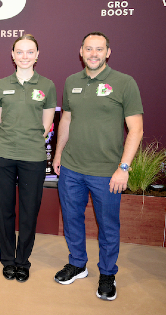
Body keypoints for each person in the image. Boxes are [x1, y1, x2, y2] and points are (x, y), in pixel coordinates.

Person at [53, 32, 143, 301]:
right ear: (81, 51)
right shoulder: (72, 81)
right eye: (89, 49)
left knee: (108, 226)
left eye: (99, 49)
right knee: (71, 219)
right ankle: (77, 264)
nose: (94, 54)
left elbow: (136, 129)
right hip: (71, 168)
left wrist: (123, 168)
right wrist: (58, 155)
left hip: (107, 172)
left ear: (108, 52)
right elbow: (66, 120)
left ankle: (107, 273)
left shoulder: (124, 83)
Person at [0, 34, 56, 282]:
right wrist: (9, 138)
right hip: (3, 155)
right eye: (20, 51)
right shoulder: (0, 85)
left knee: (29, 212)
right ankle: (8, 260)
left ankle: (22, 261)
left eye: (30, 52)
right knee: (5, 211)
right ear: (13, 55)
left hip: (33, 157)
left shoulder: (47, 85)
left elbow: (46, 124)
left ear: (37, 55)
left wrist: (30, 140)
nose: (24, 56)